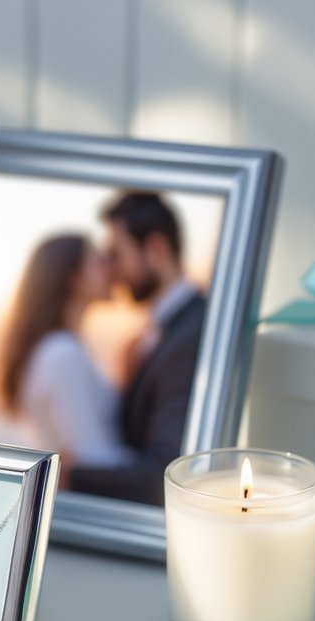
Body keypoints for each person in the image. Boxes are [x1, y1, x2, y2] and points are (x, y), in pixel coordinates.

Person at [67, 191, 206, 505]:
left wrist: (71, 475)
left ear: (155, 249)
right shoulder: (158, 333)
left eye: (118, 254)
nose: (113, 270)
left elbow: (166, 473)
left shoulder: (189, 336)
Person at [0, 235, 135, 470]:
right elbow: (93, 461)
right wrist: (160, 467)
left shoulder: (61, 348)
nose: (112, 269)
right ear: (73, 277)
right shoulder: (62, 354)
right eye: (100, 261)